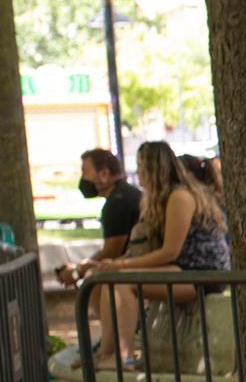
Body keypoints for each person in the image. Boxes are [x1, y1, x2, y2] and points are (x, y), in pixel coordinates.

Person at [77, 141, 231, 367]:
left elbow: (169, 252)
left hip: (201, 274)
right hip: (184, 269)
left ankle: (124, 357)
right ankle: (106, 353)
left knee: (123, 284)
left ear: (153, 168)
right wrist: (116, 263)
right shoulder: (162, 199)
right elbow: (149, 249)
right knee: (109, 279)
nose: (137, 172)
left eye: (140, 166)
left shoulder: (180, 197)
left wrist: (122, 266)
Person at [57, 149, 143, 293]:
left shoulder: (116, 203)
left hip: (135, 272)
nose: (83, 178)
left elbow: (112, 251)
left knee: (95, 284)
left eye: (86, 172)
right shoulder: (124, 194)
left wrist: (78, 271)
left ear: (104, 174)